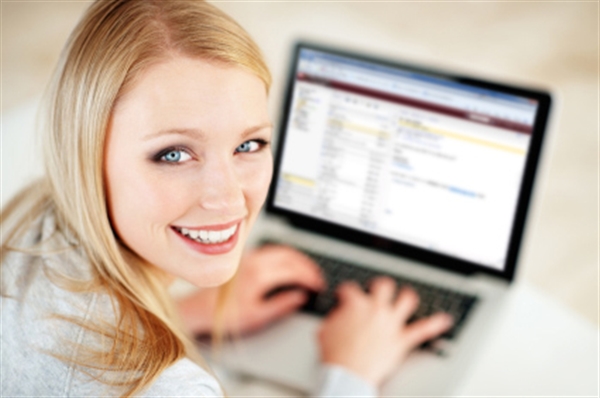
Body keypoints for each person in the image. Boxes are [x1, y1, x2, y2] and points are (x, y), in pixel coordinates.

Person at [0, 1, 453, 396]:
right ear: (85, 156)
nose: (229, 200)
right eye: (173, 154)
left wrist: (183, 313)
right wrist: (351, 375)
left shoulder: (28, 221)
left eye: (249, 145)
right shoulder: (167, 388)